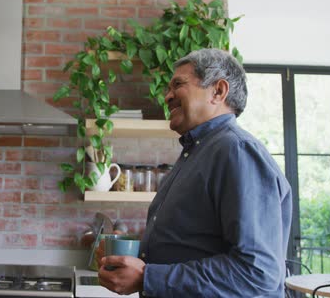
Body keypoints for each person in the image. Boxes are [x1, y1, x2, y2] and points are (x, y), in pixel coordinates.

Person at [96, 48, 292, 297]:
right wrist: (130, 259)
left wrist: (148, 277)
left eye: (177, 85)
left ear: (218, 91)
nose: (167, 97)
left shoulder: (236, 150)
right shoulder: (197, 153)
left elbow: (257, 272)